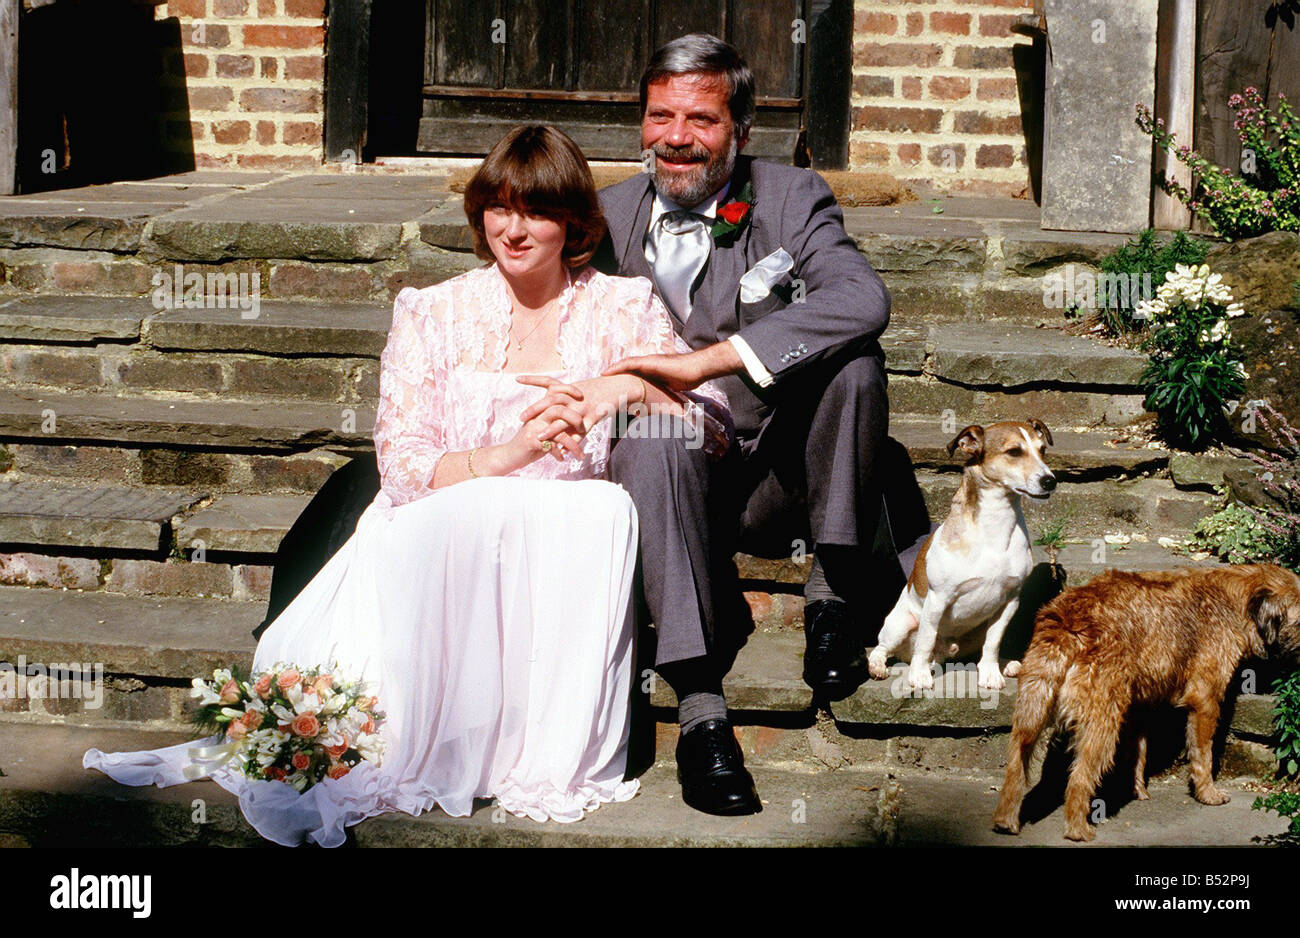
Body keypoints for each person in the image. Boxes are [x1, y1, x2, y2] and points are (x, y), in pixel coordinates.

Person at [82, 125, 733, 847]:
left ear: (574, 224)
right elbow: (401, 464)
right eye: (498, 208)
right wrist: (510, 451)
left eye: (536, 212)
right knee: (451, 519)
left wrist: (625, 391)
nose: (513, 230)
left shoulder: (624, 307)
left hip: (565, 542)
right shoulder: (434, 311)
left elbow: (710, 429)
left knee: (598, 508)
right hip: (446, 526)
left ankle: (525, 741)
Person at [580, 33, 907, 816]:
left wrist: (710, 360)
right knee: (650, 433)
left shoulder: (791, 197)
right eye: (660, 116)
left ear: (741, 131)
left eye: (701, 119)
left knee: (855, 363)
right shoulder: (608, 215)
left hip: (781, 476)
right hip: (675, 479)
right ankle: (700, 712)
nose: (676, 138)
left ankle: (832, 599)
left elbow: (863, 301)